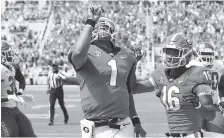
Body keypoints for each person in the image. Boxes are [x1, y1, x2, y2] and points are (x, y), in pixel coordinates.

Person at [67, 6, 146, 138]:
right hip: (93, 126)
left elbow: (127, 91)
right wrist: (90, 21)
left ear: (113, 32)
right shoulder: (85, 51)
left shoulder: (126, 55)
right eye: (98, 27)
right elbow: (79, 52)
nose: (102, 29)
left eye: (105, 27)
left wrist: (136, 120)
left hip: (121, 125)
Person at [132, 33, 224, 137]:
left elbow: (210, 113)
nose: (170, 56)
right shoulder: (160, 73)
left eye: (174, 52)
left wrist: (198, 104)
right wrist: (133, 63)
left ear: (187, 55)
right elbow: (133, 88)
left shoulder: (197, 73)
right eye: (168, 52)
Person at [1, 41, 36, 137]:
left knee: (30, 135)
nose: (11, 54)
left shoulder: (10, 67)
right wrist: (10, 97)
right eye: (8, 52)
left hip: (14, 109)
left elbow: (21, 80)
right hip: (3, 112)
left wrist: (19, 93)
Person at [196, 42, 224, 134]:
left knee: (218, 133)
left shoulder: (219, 66)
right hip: (194, 108)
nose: (206, 57)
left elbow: (222, 86)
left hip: (213, 106)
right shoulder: (191, 66)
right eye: (204, 54)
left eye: (209, 54)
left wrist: (223, 100)